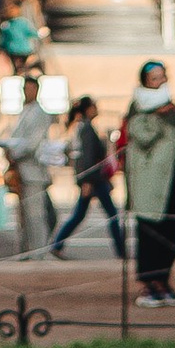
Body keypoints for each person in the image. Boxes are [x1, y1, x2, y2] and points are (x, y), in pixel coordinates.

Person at [119, 62, 175, 301]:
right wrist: (157, 116)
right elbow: (142, 136)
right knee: (150, 233)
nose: (160, 82)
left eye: (162, 77)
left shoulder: (171, 107)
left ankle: (164, 279)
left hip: (171, 179)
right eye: (155, 78)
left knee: (172, 233)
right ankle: (150, 283)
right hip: (149, 181)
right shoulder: (138, 107)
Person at [49, 95, 123, 257]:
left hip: (93, 179)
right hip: (94, 179)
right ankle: (121, 250)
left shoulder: (82, 127)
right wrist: (87, 180)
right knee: (110, 215)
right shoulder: (86, 129)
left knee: (80, 214)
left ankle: (57, 244)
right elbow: (87, 157)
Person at [0, 72, 54, 257]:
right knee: (24, 216)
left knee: (35, 215)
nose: (26, 92)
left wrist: (14, 153)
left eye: (30, 88)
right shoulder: (24, 111)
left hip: (33, 171)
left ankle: (39, 252)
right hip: (22, 171)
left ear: (37, 90)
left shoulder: (40, 113)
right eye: (24, 88)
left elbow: (32, 143)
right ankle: (28, 250)